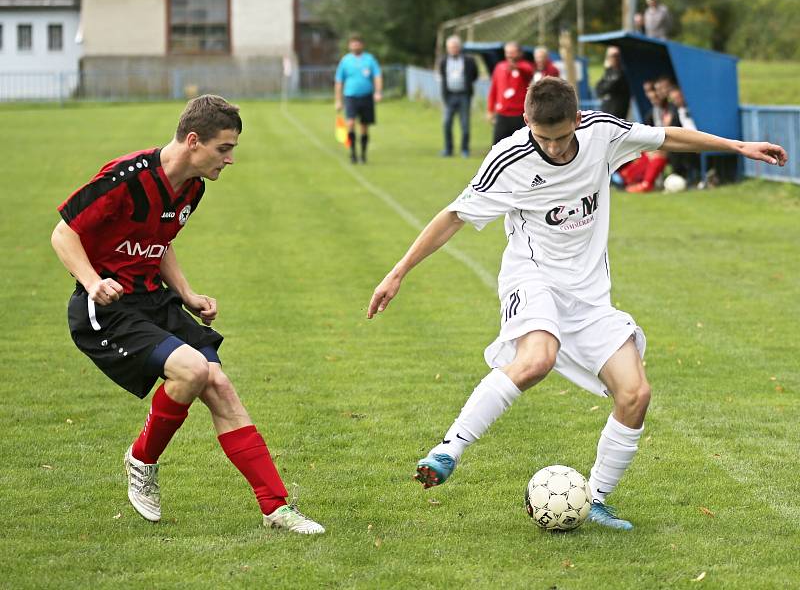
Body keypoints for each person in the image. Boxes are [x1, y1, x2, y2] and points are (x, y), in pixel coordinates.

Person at [367, 77, 786, 530]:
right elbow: (452, 217)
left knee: (635, 394)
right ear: (527, 122)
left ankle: (597, 499)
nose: (556, 148)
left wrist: (737, 146)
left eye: (563, 137)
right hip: (533, 278)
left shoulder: (601, 132)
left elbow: (668, 137)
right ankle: (450, 448)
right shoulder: (509, 160)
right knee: (536, 360)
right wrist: (398, 272)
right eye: (544, 138)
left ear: (579, 120)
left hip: (588, 295)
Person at [51, 95, 325, 535]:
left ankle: (276, 508)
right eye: (224, 148)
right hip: (107, 308)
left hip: (154, 301)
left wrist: (187, 293)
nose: (230, 159)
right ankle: (141, 460)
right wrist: (92, 281)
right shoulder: (127, 176)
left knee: (219, 384)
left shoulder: (192, 187)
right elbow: (64, 232)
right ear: (194, 141)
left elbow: (159, 241)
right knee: (193, 369)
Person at [335, 34, 383, 164]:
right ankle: (352, 153)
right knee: (350, 123)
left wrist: (378, 92)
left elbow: (377, 76)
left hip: (366, 96)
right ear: (349, 46)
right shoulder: (345, 61)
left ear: (362, 45)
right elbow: (339, 81)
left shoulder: (369, 59)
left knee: (364, 126)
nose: (355, 46)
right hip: (350, 96)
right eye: (353, 43)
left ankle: (363, 154)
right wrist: (338, 100)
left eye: (357, 43)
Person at [438, 35, 479, 158]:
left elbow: (474, 75)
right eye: (450, 47)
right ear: (447, 48)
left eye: (455, 47)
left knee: (465, 124)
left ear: (459, 47)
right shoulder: (444, 61)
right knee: (446, 123)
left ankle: (465, 149)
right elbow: (442, 76)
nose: (453, 49)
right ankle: (448, 149)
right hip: (449, 96)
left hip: (464, 96)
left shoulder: (468, 60)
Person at [486, 41, 533, 145]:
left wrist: (517, 67)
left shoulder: (526, 66)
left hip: (520, 114)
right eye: (507, 52)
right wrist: (490, 109)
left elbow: (528, 72)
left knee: (522, 145)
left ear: (520, 53)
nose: (509, 55)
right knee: (498, 145)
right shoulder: (500, 67)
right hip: (502, 114)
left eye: (512, 52)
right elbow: (493, 89)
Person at [594, 46, 630, 119]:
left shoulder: (622, 72)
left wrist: (606, 86)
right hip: (607, 109)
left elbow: (610, 86)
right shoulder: (609, 72)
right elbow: (598, 88)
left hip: (617, 111)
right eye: (611, 56)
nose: (613, 59)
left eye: (616, 56)